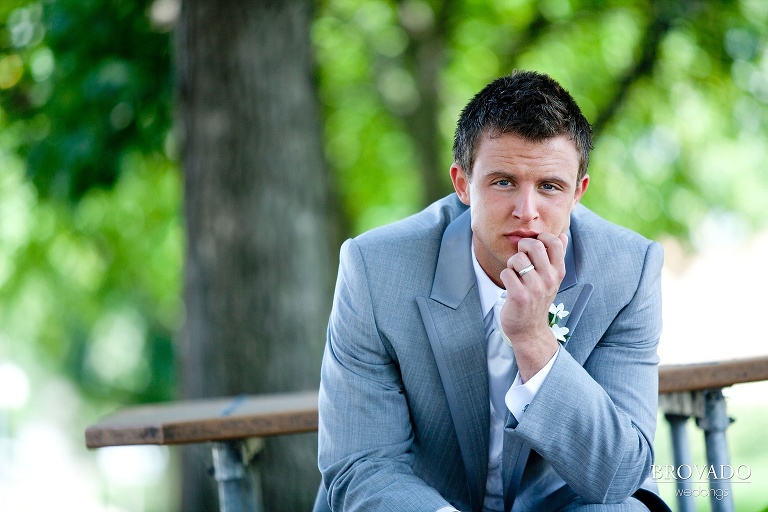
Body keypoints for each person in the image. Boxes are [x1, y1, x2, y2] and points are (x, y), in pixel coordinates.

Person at [316, 71, 665, 511]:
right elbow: (362, 465)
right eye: (503, 182)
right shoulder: (375, 269)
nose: (527, 212)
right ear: (463, 184)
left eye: (550, 187)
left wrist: (535, 341)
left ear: (578, 192)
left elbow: (619, 475)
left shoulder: (629, 270)